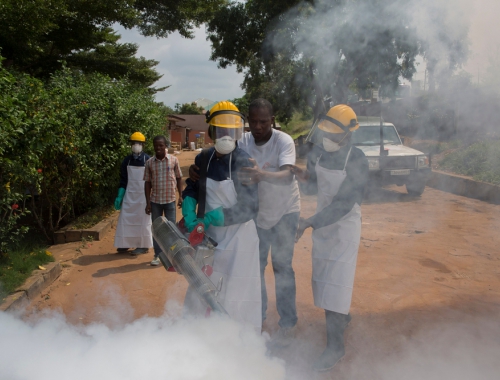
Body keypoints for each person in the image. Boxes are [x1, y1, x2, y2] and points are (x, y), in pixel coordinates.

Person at [291, 104, 368, 372]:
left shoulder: (357, 159)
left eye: (335, 135)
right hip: (323, 226)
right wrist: (299, 175)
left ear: (348, 135)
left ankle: (336, 347)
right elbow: (314, 186)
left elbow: (344, 203)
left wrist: (311, 222)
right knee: (324, 279)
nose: (329, 139)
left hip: (344, 228)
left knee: (337, 282)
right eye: (327, 133)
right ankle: (341, 317)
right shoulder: (319, 154)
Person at [182, 101, 261, 330]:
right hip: (209, 237)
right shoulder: (203, 158)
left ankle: (236, 340)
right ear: (211, 132)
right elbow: (193, 187)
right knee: (202, 286)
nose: (226, 136)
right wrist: (189, 206)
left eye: (231, 131)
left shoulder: (243, 162)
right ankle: (200, 336)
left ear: (238, 132)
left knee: (236, 291)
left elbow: (249, 208)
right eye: (221, 130)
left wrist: (210, 218)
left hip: (239, 238)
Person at [144, 135, 183, 266]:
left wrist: (181, 196)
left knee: (171, 229)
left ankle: (172, 256)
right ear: (153, 146)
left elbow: (178, 178)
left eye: (161, 145)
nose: (158, 148)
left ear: (165, 146)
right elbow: (147, 183)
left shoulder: (173, 160)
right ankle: (158, 255)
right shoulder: (149, 163)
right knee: (157, 229)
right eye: (156, 145)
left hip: (170, 200)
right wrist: (148, 203)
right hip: (155, 201)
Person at [113, 132, 153, 254]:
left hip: (143, 196)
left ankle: (143, 245)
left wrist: (150, 198)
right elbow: (123, 179)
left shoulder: (148, 160)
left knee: (143, 221)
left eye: (139, 143)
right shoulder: (127, 161)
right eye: (134, 143)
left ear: (143, 145)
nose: (136, 145)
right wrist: (120, 195)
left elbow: (151, 180)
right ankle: (125, 243)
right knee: (126, 219)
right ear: (131, 145)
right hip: (129, 195)